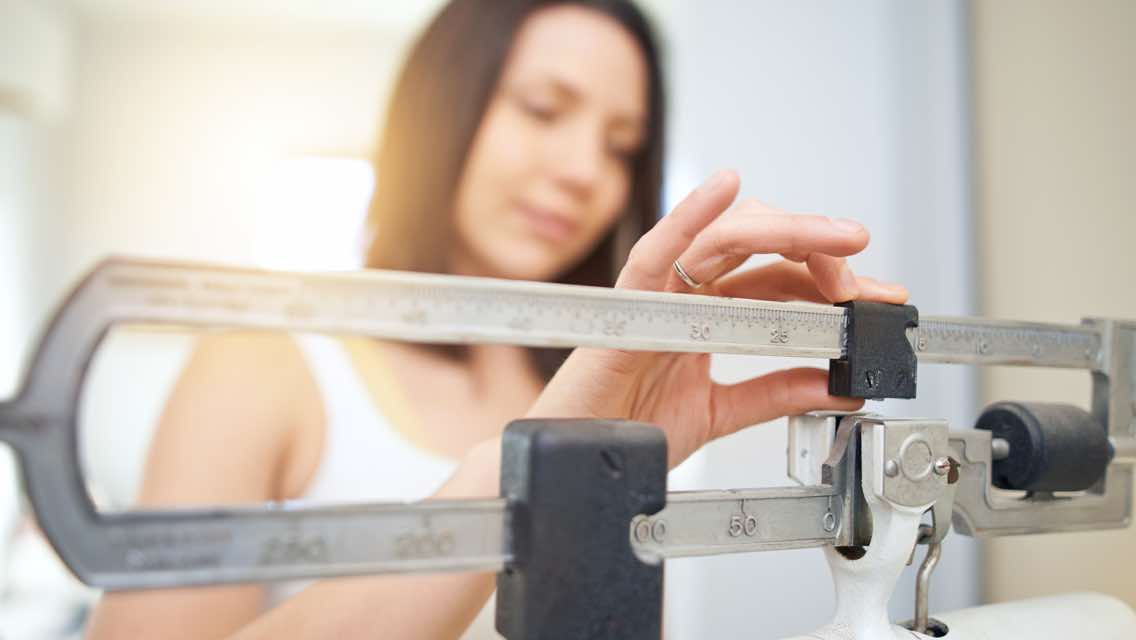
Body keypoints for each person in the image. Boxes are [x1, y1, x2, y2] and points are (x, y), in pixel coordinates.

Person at [86, 0, 908, 638]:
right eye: (545, 109)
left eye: (621, 146)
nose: (586, 171)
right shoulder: (259, 369)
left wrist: (606, 500)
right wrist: (520, 478)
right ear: (444, 108)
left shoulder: (606, 407)